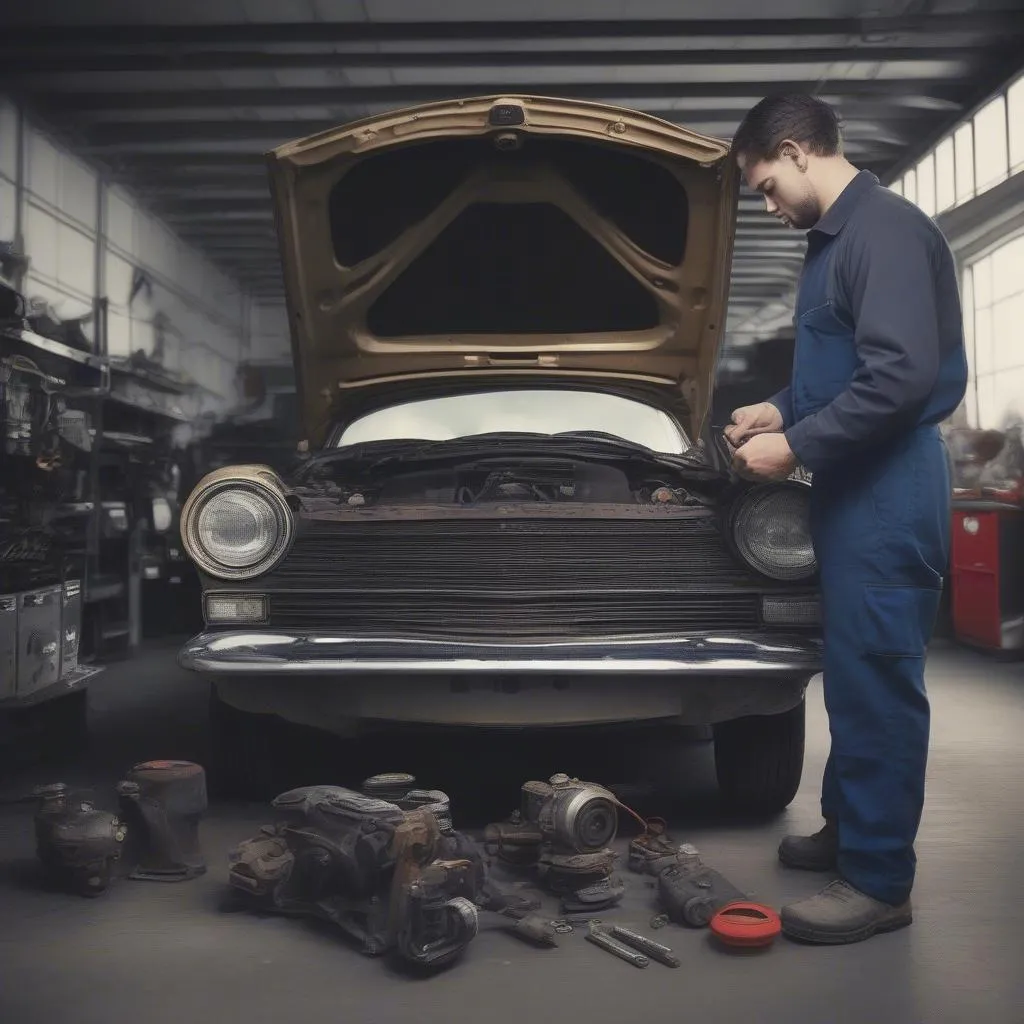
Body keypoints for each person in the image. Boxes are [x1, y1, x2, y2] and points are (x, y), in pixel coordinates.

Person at [724, 94, 968, 944]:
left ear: (794, 152)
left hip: (888, 486)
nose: (767, 206)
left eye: (762, 187)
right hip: (851, 484)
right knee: (850, 673)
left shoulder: (884, 232)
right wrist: (775, 407)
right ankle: (847, 830)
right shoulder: (830, 249)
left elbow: (899, 379)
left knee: (879, 682)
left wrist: (793, 449)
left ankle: (878, 880)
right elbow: (841, 374)